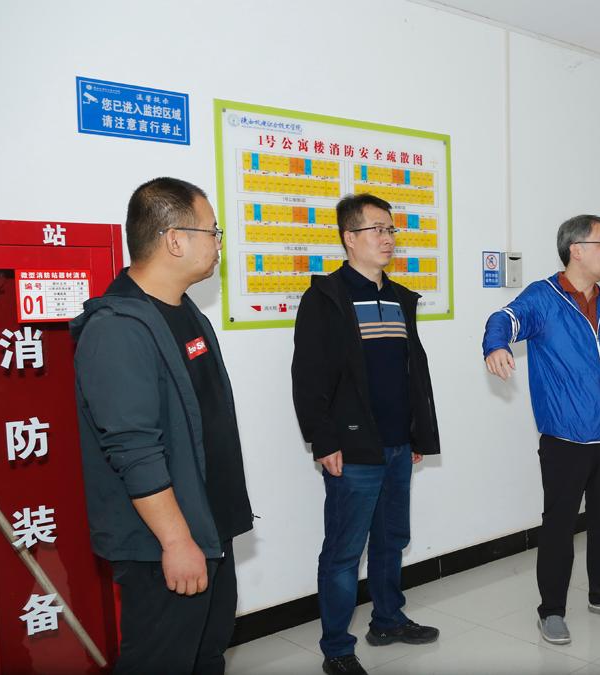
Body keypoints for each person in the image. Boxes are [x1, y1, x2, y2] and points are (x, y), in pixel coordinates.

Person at [72, 177, 252, 674]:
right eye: (212, 230)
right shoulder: (116, 329)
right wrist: (176, 542)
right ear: (175, 240)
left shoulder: (185, 312)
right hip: (164, 546)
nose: (218, 243)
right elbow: (135, 451)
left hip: (207, 530)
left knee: (206, 655)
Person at [482, 214, 600, 646]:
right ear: (576, 250)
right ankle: (551, 610)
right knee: (559, 527)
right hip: (565, 439)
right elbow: (503, 319)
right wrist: (495, 345)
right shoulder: (543, 298)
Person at [292, 193, 442, 675]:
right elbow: (308, 376)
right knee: (343, 553)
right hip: (352, 449)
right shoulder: (326, 298)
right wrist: (323, 440)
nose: (388, 238)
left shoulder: (400, 298)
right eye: (377, 229)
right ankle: (337, 648)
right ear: (349, 238)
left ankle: (388, 620)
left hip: (398, 445)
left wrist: (418, 434)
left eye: (391, 229)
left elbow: (411, 373)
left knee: (391, 540)